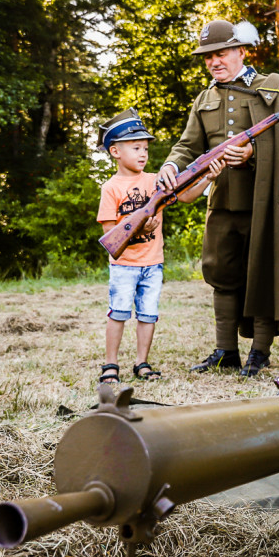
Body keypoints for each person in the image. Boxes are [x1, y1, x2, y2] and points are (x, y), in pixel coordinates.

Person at [157, 19, 279, 377]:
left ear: (241, 51)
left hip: (266, 203)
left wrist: (254, 152)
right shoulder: (205, 99)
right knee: (222, 274)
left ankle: (259, 353)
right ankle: (226, 351)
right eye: (207, 57)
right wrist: (172, 165)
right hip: (222, 202)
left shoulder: (272, 89)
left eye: (220, 54)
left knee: (264, 273)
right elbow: (189, 145)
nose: (213, 62)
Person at [96, 108, 222, 384]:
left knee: (148, 315)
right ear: (115, 152)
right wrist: (140, 225)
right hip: (124, 265)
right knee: (118, 314)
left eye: (145, 148)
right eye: (136, 148)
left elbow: (186, 195)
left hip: (153, 263)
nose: (143, 153)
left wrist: (208, 178)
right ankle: (110, 365)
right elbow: (109, 231)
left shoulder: (156, 180)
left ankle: (142, 362)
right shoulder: (111, 187)